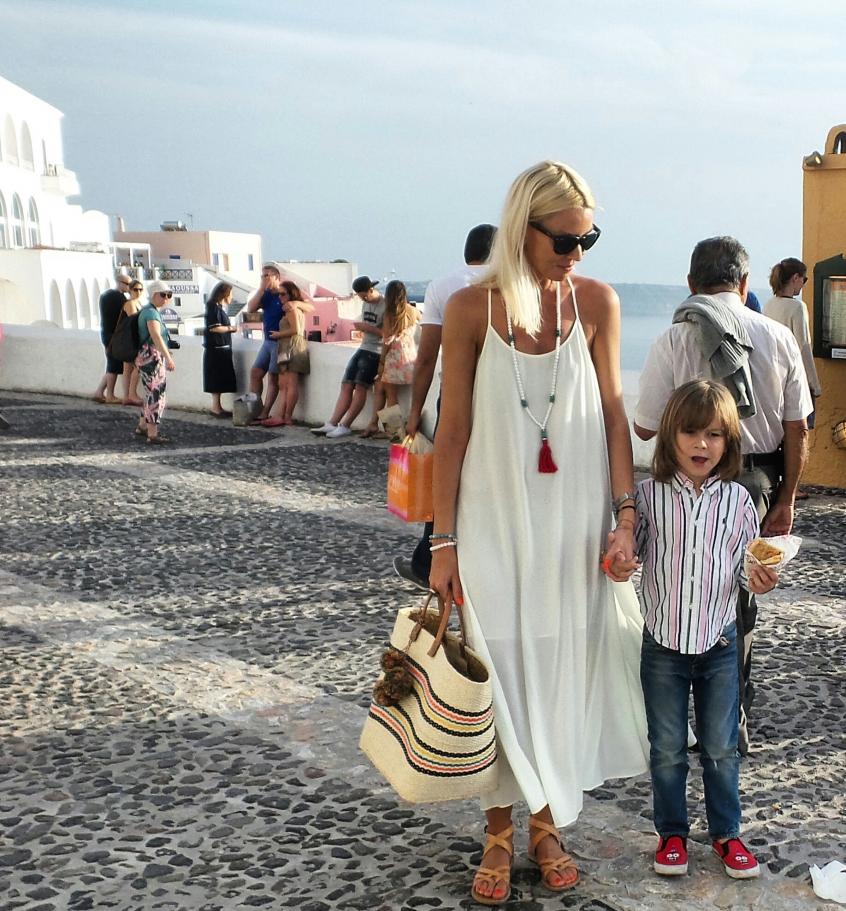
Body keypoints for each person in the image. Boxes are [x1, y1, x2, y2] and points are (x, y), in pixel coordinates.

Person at [429, 161, 649, 905]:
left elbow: (614, 413)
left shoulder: (598, 303)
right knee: (500, 669)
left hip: (572, 524)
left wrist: (625, 516)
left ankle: (547, 821)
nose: (577, 252)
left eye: (589, 238)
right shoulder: (471, 310)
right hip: (491, 519)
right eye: (564, 239)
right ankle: (498, 827)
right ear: (523, 229)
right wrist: (443, 542)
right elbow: (452, 431)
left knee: (558, 665)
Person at [634, 236, 812, 753]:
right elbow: (797, 428)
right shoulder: (778, 336)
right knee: (740, 601)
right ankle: (732, 719)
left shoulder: (674, 339)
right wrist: (787, 499)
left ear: (691, 284)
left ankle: (678, 718)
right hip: (758, 482)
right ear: (745, 282)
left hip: (686, 481)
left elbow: (644, 427)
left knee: (684, 591)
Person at [605, 380, 778, 881]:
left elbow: (745, 567)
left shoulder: (740, 503)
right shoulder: (646, 497)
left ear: (729, 441)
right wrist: (619, 565)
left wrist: (759, 578)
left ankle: (727, 833)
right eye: (690, 432)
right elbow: (626, 555)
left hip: (719, 644)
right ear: (669, 435)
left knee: (722, 747)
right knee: (666, 749)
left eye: (714, 434)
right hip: (662, 646)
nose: (702, 444)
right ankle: (672, 833)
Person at [392, 224, 497, 589]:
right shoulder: (514, 283)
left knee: (446, 475)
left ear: (468, 252)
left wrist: (414, 413)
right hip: (501, 396)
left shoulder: (443, 285)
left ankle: (429, 562)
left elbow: (425, 357)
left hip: (455, 392)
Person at [311, 276, 385, 438]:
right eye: (360, 297)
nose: (364, 299)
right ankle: (332, 422)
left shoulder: (384, 306)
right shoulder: (365, 304)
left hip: (376, 350)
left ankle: (346, 425)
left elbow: (388, 334)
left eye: (365, 296)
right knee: (347, 384)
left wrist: (367, 328)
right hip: (363, 347)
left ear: (371, 290)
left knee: (360, 386)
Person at [763, 258, 822, 429]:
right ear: (796, 278)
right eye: (804, 279)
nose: (803, 284)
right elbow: (803, 346)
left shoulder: (768, 305)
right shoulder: (797, 307)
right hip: (794, 380)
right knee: (800, 429)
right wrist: (814, 384)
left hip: (772, 378)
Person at [361, 280, 421, 438]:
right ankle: (377, 425)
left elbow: (387, 341)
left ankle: (394, 432)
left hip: (394, 356)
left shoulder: (390, 314)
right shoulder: (412, 311)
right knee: (380, 388)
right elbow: (421, 321)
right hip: (409, 355)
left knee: (391, 395)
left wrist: (381, 362)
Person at [133, 280, 176, 444]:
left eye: (169, 295)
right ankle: (152, 433)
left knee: (150, 392)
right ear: (154, 295)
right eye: (163, 295)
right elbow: (156, 336)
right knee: (156, 394)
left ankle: (142, 425)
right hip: (152, 356)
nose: (166, 298)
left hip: (146, 355)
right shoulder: (151, 313)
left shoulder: (148, 311)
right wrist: (168, 357)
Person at [263, 281, 310, 427]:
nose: (280, 297)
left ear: (291, 294)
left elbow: (296, 330)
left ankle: (286, 416)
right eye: (279, 294)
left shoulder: (292, 309)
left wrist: (278, 334)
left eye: (283, 294)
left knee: (290, 383)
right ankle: (281, 415)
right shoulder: (293, 308)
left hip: (292, 346)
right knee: (283, 383)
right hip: (288, 347)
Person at [245, 262, 286, 422]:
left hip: (280, 341)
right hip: (267, 341)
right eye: (262, 276)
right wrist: (261, 289)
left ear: (276, 277)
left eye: (266, 276)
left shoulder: (284, 293)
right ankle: (255, 408)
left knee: (273, 378)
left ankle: (265, 412)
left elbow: (304, 305)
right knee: (255, 372)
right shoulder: (265, 294)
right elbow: (250, 309)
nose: (264, 279)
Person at [92, 273, 132, 404]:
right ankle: (110, 395)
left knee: (111, 364)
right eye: (127, 284)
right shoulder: (120, 298)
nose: (129, 287)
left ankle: (99, 392)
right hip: (114, 335)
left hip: (105, 333)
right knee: (113, 366)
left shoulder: (105, 295)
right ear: (119, 282)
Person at [203, 281, 238, 417]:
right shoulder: (213, 308)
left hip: (220, 348)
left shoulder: (217, 308)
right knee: (216, 379)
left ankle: (218, 407)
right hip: (216, 349)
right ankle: (216, 408)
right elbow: (214, 328)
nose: (232, 297)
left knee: (220, 379)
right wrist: (231, 328)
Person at [119, 279, 145, 406]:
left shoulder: (138, 303)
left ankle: (127, 396)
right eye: (135, 289)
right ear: (130, 290)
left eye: (140, 289)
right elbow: (134, 322)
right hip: (130, 340)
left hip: (130, 339)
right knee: (136, 367)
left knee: (128, 368)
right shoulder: (130, 304)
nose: (138, 292)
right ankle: (131, 394)